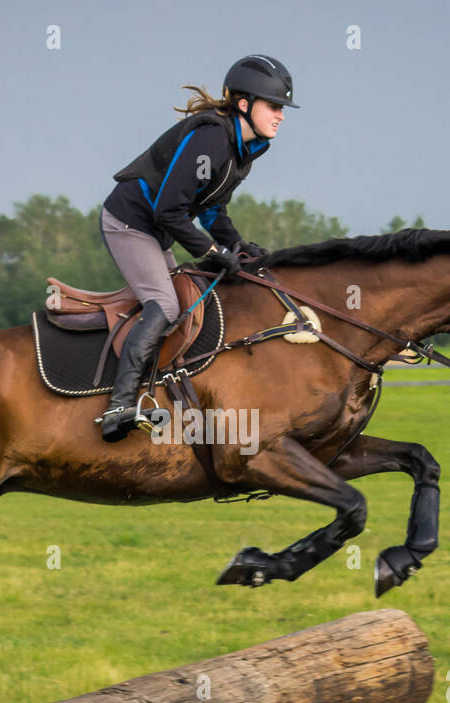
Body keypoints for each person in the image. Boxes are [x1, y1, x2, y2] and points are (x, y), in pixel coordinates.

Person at [95, 54, 298, 442]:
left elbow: (211, 209)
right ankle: (119, 406)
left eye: (282, 108)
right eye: (274, 106)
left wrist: (237, 246)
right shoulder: (213, 138)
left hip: (155, 230)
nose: (281, 115)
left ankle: (155, 396)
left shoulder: (244, 150)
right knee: (166, 305)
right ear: (244, 103)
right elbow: (168, 209)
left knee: (187, 304)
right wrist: (211, 252)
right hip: (129, 222)